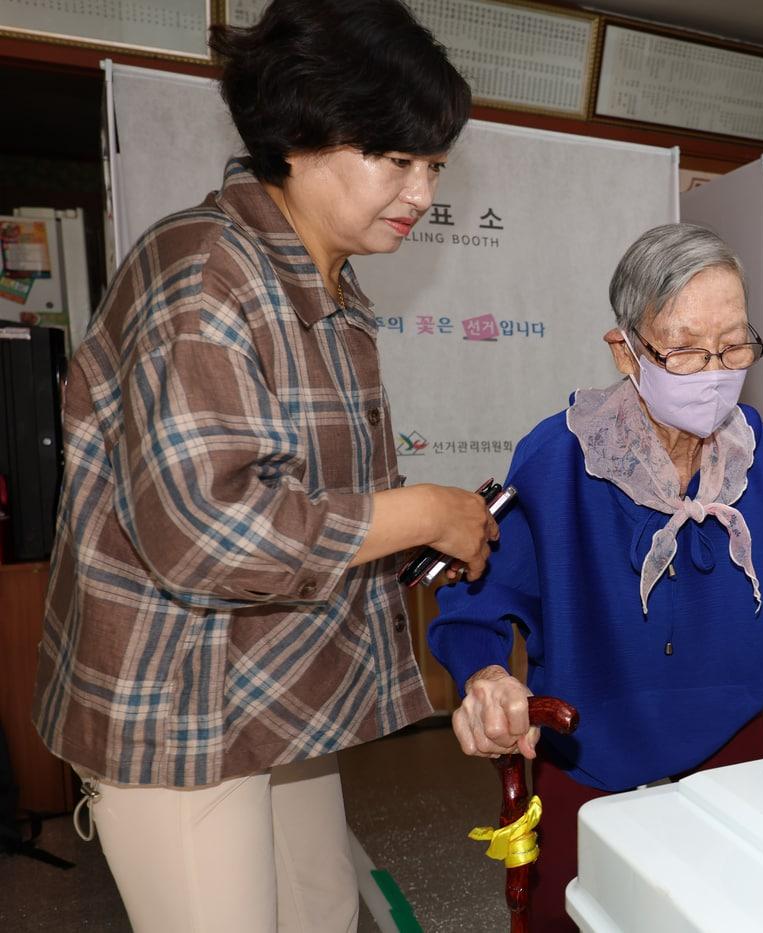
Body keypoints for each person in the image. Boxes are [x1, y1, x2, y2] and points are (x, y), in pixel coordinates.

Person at [31, 2, 494, 929]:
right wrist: (424, 511)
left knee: (321, 907)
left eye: (433, 165)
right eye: (396, 159)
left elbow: (311, 502)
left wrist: (424, 527)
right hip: (181, 706)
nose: (421, 193)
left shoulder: (321, 278)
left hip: (276, 688)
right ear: (299, 134)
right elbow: (206, 531)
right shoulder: (207, 272)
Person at [429, 223, 763, 931]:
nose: (713, 369)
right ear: (627, 349)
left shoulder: (756, 453)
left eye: (733, 346)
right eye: (685, 348)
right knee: (583, 915)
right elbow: (473, 605)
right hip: (590, 756)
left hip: (733, 756)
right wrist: (485, 675)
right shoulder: (561, 456)